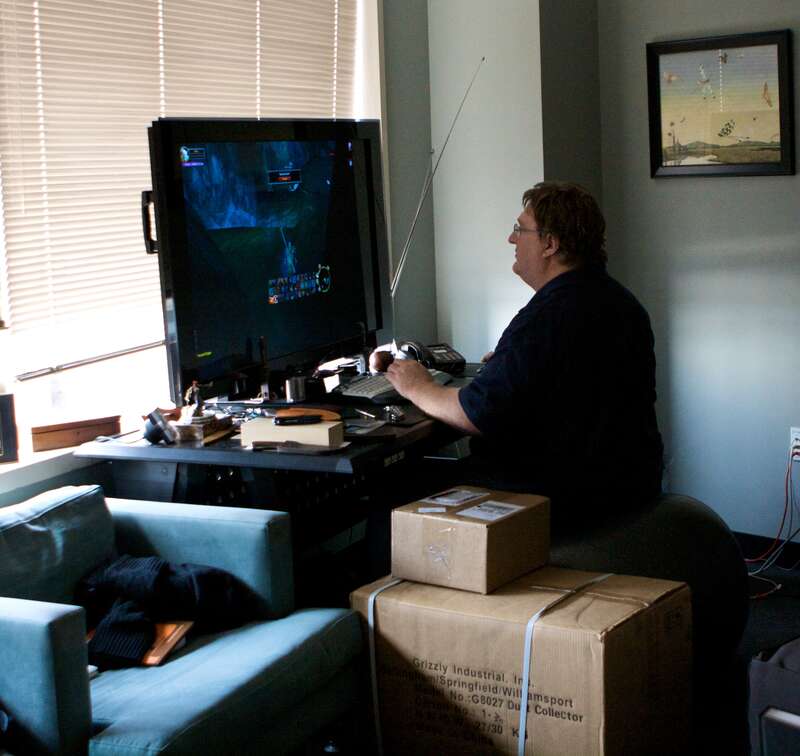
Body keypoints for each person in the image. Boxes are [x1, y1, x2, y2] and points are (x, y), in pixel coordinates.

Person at [383, 181, 663, 529]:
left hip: (561, 496)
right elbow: (571, 383)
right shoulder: (618, 301)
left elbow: (477, 415)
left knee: (394, 494)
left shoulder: (549, 316)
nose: (511, 239)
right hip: (625, 485)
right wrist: (507, 367)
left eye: (520, 229)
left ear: (550, 244)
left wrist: (417, 386)